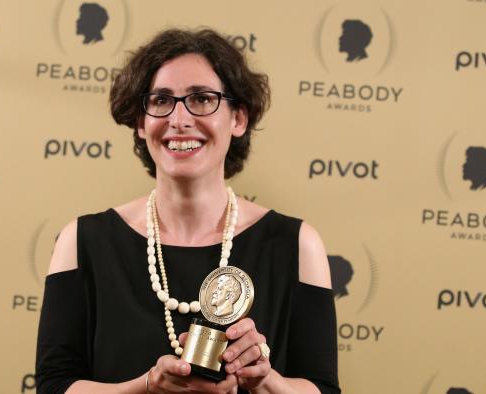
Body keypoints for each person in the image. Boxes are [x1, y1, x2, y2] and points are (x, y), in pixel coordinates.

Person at [36, 28, 340, 394]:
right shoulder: (82, 241)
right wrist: (148, 387)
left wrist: (265, 380)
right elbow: (54, 387)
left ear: (238, 119)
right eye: (161, 100)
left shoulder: (297, 244)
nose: (179, 119)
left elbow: (323, 388)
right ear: (140, 121)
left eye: (201, 99)